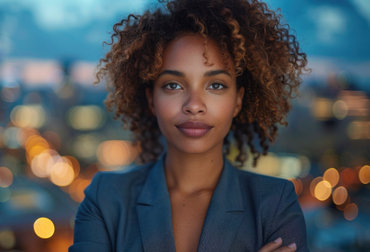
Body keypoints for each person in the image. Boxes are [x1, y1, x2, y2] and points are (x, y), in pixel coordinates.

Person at [69, 0, 309, 251]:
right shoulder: (105, 199)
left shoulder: (275, 204)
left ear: (238, 101)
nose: (194, 105)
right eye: (173, 85)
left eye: (216, 85)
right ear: (151, 99)